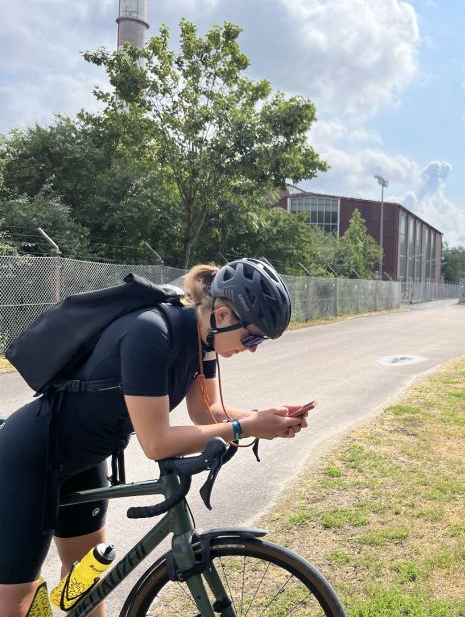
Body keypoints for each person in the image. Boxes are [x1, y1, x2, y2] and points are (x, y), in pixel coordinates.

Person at [0, 258, 310, 616]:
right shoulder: (151, 332)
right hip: (30, 458)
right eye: (253, 336)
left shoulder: (204, 340)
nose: (253, 347)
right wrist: (246, 428)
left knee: (85, 584)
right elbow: (156, 442)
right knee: (17, 601)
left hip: (83, 459)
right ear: (223, 315)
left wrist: (264, 418)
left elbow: (207, 412)